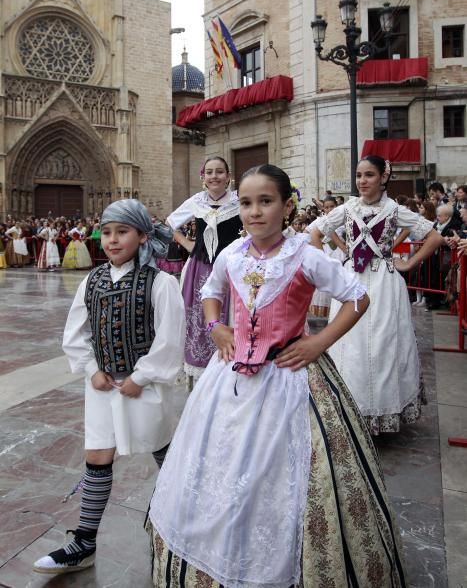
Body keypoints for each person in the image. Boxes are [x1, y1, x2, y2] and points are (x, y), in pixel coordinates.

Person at [147, 164, 407, 588]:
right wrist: (217, 328)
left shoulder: (305, 254)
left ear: (287, 207)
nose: (254, 212)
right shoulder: (231, 254)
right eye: (247, 203)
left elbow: (358, 296)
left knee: (282, 474)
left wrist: (318, 343)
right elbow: (209, 293)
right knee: (220, 465)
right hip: (228, 382)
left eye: (265, 202)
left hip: (289, 378)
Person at [33, 199, 186, 575]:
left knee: (163, 454)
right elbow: (76, 333)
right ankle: (84, 542)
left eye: (123, 232)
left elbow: (170, 340)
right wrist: (90, 369)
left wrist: (141, 376)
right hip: (102, 387)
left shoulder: (161, 283)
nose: (113, 240)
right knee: (98, 458)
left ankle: (180, 528)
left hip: (145, 388)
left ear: (142, 236)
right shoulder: (93, 280)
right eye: (108, 232)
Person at [310, 155, 443, 435]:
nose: (362, 181)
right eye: (359, 175)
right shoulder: (347, 209)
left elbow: (434, 237)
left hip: (384, 282)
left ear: (383, 177)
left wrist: (407, 263)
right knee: (349, 346)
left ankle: (380, 411)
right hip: (352, 282)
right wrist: (329, 269)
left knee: (383, 345)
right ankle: (349, 409)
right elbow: (315, 233)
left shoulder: (395, 210)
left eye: (369, 175)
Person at [167, 156, 241, 385]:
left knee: (229, 315)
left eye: (219, 172)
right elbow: (169, 224)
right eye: (209, 172)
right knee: (198, 317)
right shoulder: (196, 201)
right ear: (203, 177)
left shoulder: (239, 201)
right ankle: (199, 375)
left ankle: (229, 369)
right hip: (199, 269)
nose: (214, 176)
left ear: (228, 177)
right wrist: (188, 244)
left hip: (230, 269)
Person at [308, 195, 345, 319]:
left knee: (339, 278)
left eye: (332, 207)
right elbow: (307, 233)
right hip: (325, 251)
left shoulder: (343, 220)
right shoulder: (320, 221)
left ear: (337, 206)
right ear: (323, 208)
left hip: (341, 253)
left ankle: (339, 311)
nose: (329, 210)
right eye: (326, 207)